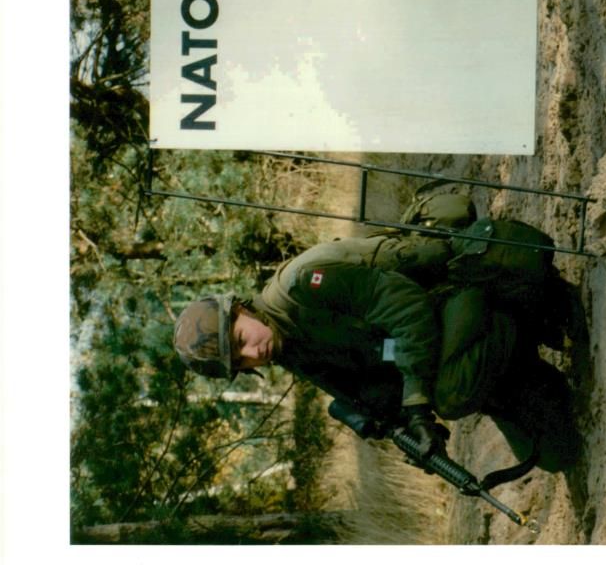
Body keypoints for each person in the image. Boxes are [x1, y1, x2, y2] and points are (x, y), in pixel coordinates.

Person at [174, 192, 583, 473]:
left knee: (450, 394)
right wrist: (397, 427)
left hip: (454, 289)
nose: (253, 354)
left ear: (241, 310)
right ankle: (512, 370)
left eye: (241, 340)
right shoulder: (288, 347)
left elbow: (407, 311)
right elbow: (368, 379)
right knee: (556, 455)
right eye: (241, 362)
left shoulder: (303, 286)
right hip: (441, 328)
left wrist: (419, 405)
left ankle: (522, 319)